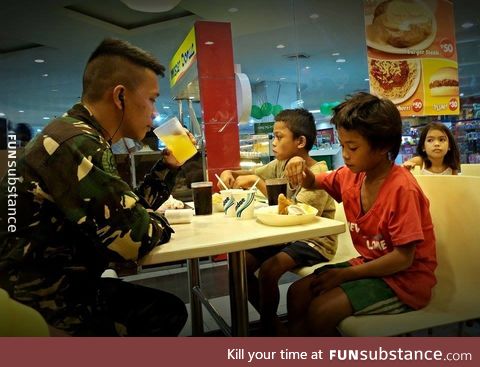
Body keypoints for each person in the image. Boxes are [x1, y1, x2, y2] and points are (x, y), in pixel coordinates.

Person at [0, 38, 188, 336]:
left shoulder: (75, 133)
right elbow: (135, 239)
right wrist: (155, 223)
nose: (154, 112)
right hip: (42, 300)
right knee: (165, 312)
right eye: (152, 99)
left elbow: (123, 216)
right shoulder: (78, 144)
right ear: (120, 96)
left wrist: (167, 168)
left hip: (45, 286)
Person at [284, 92, 437, 336]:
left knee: (322, 310)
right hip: (369, 264)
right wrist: (300, 166)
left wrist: (345, 274)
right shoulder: (351, 175)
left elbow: (403, 259)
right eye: (343, 145)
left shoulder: (402, 188)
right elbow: (314, 181)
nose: (345, 154)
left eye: (352, 147)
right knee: (297, 293)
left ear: (383, 146)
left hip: (405, 282)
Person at [218, 108, 337, 335]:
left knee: (270, 270)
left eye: (279, 137)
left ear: (300, 141)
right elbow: (252, 171)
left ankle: (270, 326)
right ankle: (269, 319)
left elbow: (296, 212)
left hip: (315, 240)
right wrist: (228, 173)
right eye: (274, 136)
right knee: (239, 264)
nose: (273, 142)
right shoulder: (279, 164)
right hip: (285, 237)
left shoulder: (318, 170)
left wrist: (256, 181)